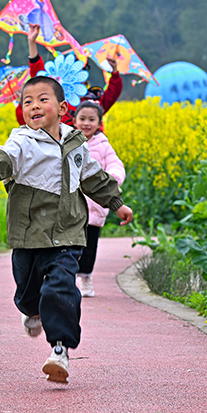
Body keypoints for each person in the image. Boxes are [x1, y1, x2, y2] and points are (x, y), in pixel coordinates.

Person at [0, 75, 133, 384]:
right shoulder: (22, 142)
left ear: (63, 108)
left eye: (42, 99)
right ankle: (32, 310)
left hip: (67, 234)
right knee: (27, 293)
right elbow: (0, 158)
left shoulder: (76, 144)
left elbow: (93, 178)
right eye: (27, 102)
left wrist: (116, 203)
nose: (34, 106)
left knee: (61, 287)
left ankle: (60, 349)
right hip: (28, 235)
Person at [14, 23, 123, 127]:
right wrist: (31, 42)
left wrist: (114, 72)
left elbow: (113, 93)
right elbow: (39, 77)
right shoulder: (53, 102)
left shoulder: (92, 101)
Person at [72, 101, 126, 297]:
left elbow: (115, 165)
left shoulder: (103, 145)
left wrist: (111, 181)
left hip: (94, 206)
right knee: (68, 246)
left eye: (91, 120)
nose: (86, 123)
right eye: (82, 119)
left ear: (99, 122)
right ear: (74, 120)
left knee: (89, 246)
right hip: (71, 206)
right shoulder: (67, 141)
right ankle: (68, 278)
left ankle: (85, 277)